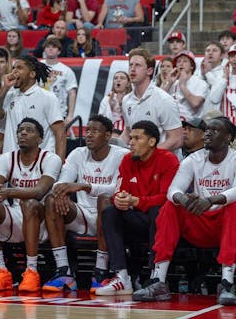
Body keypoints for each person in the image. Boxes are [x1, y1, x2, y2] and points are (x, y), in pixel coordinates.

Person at [131, 116, 236, 304]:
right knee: (171, 205)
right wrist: (184, 199)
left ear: (228, 137)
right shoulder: (194, 159)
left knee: (233, 207)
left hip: (225, 226)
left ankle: (227, 283)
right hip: (199, 223)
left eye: (215, 130)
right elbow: (173, 190)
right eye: (207, 130)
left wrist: (210, 200)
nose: (208, 134)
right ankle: (158, 281)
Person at [42, 115, 128, 293]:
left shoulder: (122, 155)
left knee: (105, 199)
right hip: (82, 215)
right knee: (51, 200)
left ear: (107, 135)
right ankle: (63, 270)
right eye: (87, 130)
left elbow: (119, 189)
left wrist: (86, 186)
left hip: (110, 217)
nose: (88, 134)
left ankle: (100, 272)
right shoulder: (78, 153)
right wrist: (62, 191)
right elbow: (61, 182)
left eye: (95, 131)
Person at [95, 120, 180, 295]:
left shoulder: (168, 159)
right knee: (110, 212)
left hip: (162, 223)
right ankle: (122, 277)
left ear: (152, 141)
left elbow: (167, 197)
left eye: (137, 138)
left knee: (159, 210)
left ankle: (155, 276)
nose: (131, 142)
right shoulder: (127, 160)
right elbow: (119, 191)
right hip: (138, 220)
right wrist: (119, 199)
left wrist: (136, 201)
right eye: (131, 138)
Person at [0, 118, 62, 292]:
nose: (23, 133)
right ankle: (1, 270)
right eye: (20, 130)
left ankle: (32, 271)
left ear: (40, 139)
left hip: (42, 221)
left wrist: (8, 192)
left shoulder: (51, 158)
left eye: (29, 130)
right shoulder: (7, 158)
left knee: (30, 204)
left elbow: (39, 191)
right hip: (16, 216)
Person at [0, 55, 65, 158]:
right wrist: (5, 88)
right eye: (13, 68)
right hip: (12, 161)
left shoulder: (47, 97)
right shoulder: (8, 96)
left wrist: (59, 162)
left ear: (32, 74)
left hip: (40, 161)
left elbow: (60, 133)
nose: (14, 72)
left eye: (19, 68)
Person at [121, 48, 183, 152]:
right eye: (131, 65)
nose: (132, 69)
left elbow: (177, 139)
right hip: (139, 158)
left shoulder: (164, 100)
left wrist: (149, 154)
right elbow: (128, 132)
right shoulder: (126, 100)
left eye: (138, 65)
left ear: (149, 71)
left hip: (162, 159)